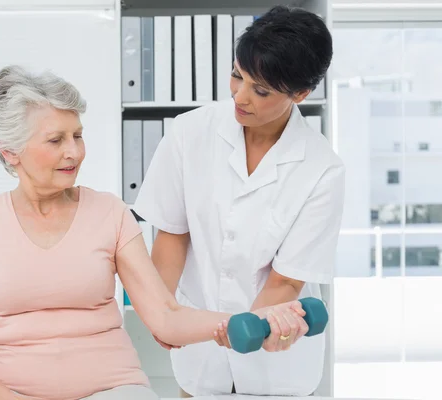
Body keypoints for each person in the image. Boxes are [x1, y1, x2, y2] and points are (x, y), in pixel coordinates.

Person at [0, 65, 307, 400]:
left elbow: (165, 315)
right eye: (56, 141)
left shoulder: (109, 213)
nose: (74, 152)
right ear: (10, 152)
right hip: (6, 391)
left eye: (78, 136)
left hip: (111, 388)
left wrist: (244, 321)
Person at [133, 4, 345, 398]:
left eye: (260, 90)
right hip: (198, 358)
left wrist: (251, 330)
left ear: (300, 93)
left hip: (276, 362)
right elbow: (173, 237)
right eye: (236, 76)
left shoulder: (322, 169)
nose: (240, 96)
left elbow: (286, 279)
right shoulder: (188, 133)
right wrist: (161, 314)